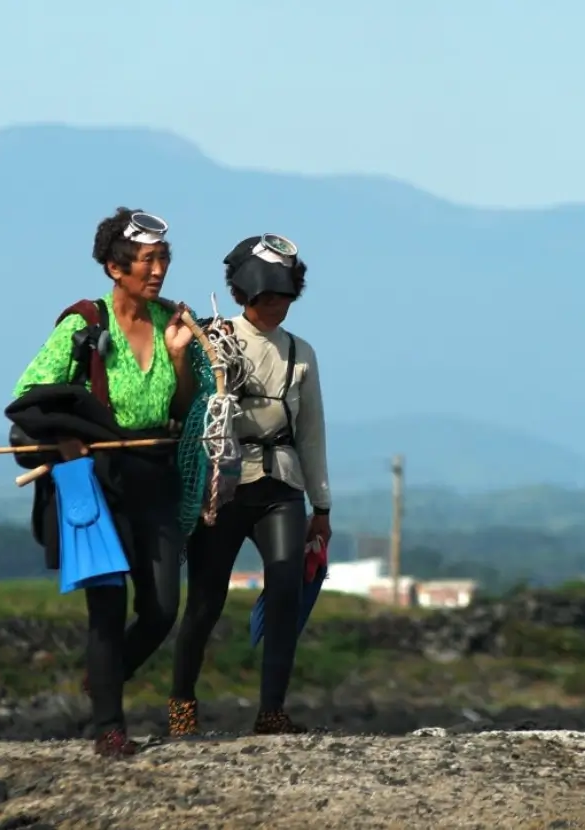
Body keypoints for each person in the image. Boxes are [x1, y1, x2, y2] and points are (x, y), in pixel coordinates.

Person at [9, 206, 195, 758]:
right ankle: (109, 727)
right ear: (115, 268)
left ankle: (105, 676)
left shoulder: (170, 323)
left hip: (155, 475)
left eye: (163, 258)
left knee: (162, 609)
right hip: (99, 481)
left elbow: (181, 408)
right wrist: (68, 439)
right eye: (146, 260)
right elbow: (30, 394)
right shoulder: (84, 323)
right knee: (107, 608)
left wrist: (181, 359)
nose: (158, 270)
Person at [168, 232, 332, 737]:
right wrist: (183, 356)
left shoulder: (301, 354)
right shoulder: (215, 338)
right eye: (267, 297)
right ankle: (181, 706)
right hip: (223, 484)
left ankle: (272, 712)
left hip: (281, 484)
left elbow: (312, 431)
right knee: (205, 601)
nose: (276, 305)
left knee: (285, 585)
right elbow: (187, 404)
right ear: (244, 295)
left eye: (284, 296)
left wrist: (321, 506)